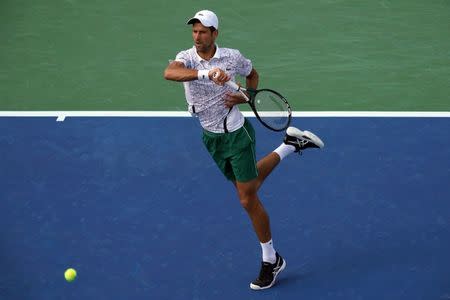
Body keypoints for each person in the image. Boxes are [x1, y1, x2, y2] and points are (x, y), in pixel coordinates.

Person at [163, 9, 324, 290]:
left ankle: (270, 260)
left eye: (203, 32)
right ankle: (290, 145)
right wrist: (204, 73)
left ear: (215, 34)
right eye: (194, 31)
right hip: (211, 138)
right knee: (246, 185)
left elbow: (253, 75)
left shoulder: (232, 57)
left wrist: (244, 96)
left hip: (236, 135)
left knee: (247, 199)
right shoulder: (186, 57)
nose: (197, 37)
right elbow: (170, 72)